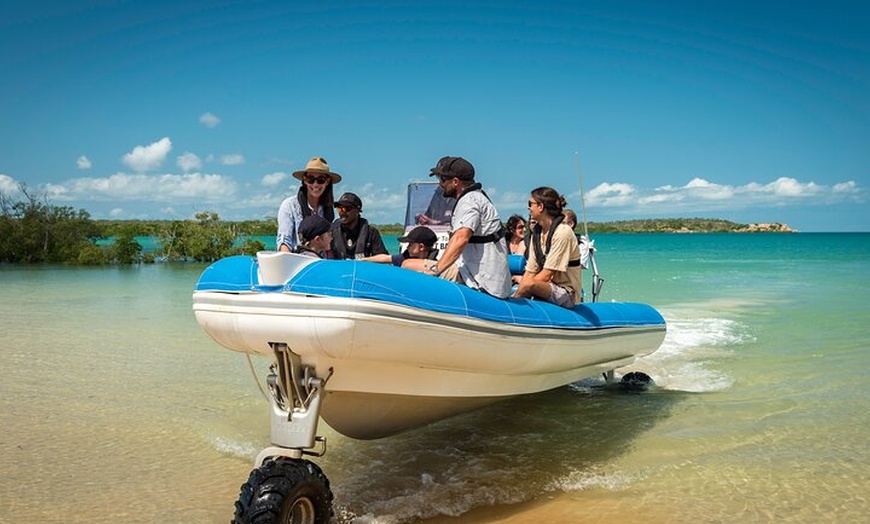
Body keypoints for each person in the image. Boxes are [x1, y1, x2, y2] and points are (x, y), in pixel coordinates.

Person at [404, 156, 511, 299]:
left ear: (455, 182)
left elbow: (461, 237)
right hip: (471, 272)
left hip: (479, 281)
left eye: (442, 179)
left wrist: (437, 270)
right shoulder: (475, 198)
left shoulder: (469, 202)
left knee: (408, 265)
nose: (440, 184)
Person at [512, 187, 582, 308]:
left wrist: (526, 287)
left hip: (566, 293)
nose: (528, 208)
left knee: (529, 283)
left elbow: (546, 274)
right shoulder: (537, 234)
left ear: (541, 207)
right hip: (546, 286)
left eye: (530, 204)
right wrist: (516, 298)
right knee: (526, 282)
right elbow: (530, 272)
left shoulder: (563, 233)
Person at [276, 157, 341, 252]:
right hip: (295, 261)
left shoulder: (328, 209)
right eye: (311, 179)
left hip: (319, 262)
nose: (315, 184)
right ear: (304, 180)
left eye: (320, 180)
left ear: (327, 182)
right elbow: (284, 241)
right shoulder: (289, 205)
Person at [329, 192, 388, 260]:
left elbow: (383, 259)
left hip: (362, 269)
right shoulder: (331, 232)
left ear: (357, 210)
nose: (342, 212)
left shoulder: (371, 233)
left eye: (347, 208)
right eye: (340, 208)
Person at [362, 226, 439, 266]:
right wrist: (363, 260)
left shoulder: (433, 264)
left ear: (421, 247)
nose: (407, 247)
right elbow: (385, 258)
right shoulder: (405, 257)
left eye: (410, 245)